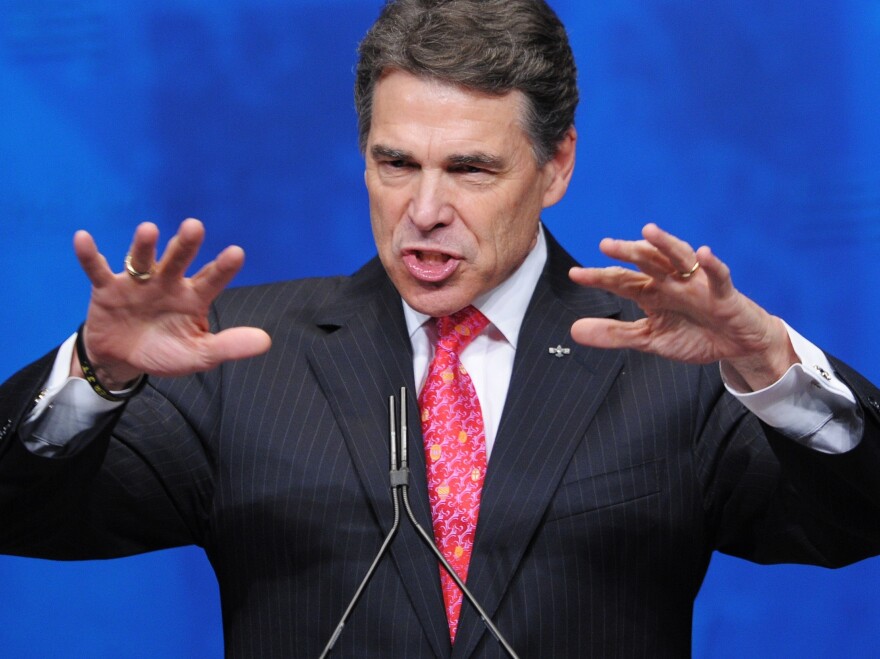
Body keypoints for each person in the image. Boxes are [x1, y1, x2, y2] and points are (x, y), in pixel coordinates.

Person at [1, 0, 879, 656]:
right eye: (396, 163)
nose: (424, 209)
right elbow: (23, 516)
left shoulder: (670, 355)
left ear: (556, 164)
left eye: (469, 169)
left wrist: (771, 366)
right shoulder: (235, 351)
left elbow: (856, 522)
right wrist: (96, 375)